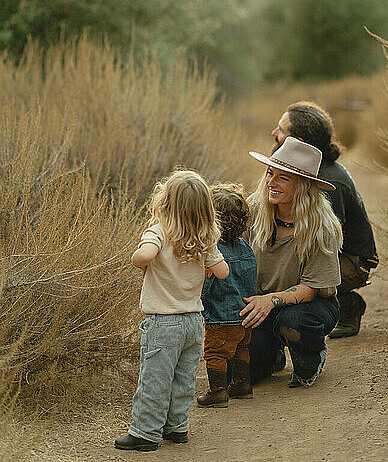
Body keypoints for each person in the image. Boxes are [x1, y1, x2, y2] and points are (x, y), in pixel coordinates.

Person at [114, 170, 229, 452]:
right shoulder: (204, 238)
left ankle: (145, 432)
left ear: (165, 203)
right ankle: (177, 427)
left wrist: (141, 259)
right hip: (193, 321)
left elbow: (143, 256)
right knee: (183, 378)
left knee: (155, 379)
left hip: (163, 323)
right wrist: (205, 265)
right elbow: (224, 272)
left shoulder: (158, 232)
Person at [271, 102, 379, 338]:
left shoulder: (328, 180)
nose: (274, 133)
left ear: (298, 141)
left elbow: (326, 243)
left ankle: (347, 305)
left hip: (351, 260)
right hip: (335, 254)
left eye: (281, 130)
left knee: (292, 283)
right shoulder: (303, 169)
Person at [242, 137, 342, 387]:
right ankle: (271, 355)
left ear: (303, 186)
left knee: (293, 322)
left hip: (310, 305)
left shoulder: (322, 227)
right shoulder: (254, 208)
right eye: (269, 173)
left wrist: (270, 301)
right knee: (243, 374)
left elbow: (310, 289)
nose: (270, 183)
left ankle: (311, 356)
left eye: (282, 178)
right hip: (261, 301)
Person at [197, 184, 257, 408]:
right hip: (244, 316)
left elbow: (206, 286)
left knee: (215, 353)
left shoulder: (213, 252)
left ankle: (217, 391)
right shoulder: (245, 248)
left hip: (221, 319)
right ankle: (242, 385)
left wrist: (196, 302)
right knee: (241, 348)